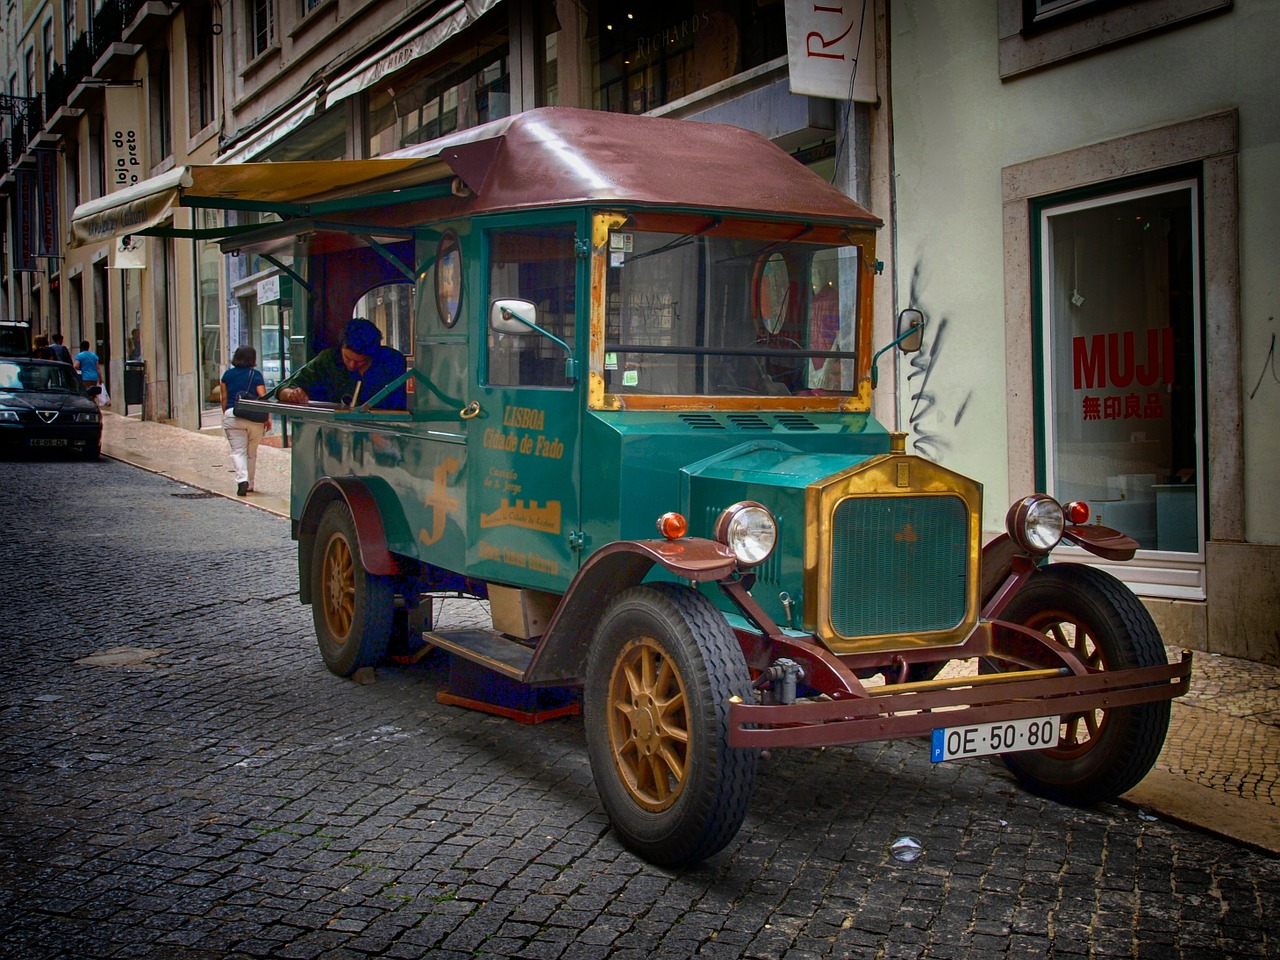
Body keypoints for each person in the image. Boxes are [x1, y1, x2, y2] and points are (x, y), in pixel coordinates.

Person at [276, 317, 406, 409]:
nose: (351, 365)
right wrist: (290, 394)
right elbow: (284, 388)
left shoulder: (392, 361)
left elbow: (398, 403)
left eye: (360, 361)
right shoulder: (328, 360)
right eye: (347, 358)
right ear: (341, 347)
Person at [220, 345, 271, 497]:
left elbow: (223, 398)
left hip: (233, 415)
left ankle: (242, 480)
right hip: (254, 418)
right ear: (253, 359)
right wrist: (267, 418)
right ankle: (250, 484)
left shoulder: (227, 375)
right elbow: (262, 398)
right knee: (251, 453)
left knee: (238, 451)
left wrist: (227, 414)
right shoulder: (256, 375)